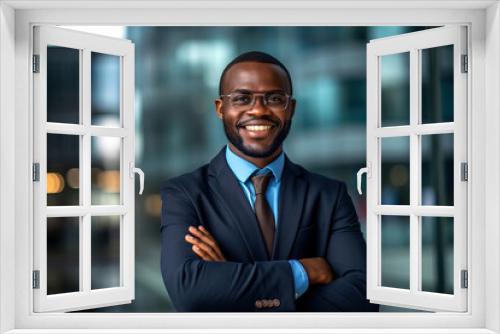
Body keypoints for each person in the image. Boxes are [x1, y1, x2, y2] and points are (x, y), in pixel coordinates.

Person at [160, 51, 378, 312]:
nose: (259, 110)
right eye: (242, 98)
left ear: (291, 109)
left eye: (274, 98)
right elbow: (189, 292)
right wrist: (304, 272)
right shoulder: (186, 193)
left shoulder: (329, 195)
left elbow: (363, 295)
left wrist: (230, 286)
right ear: (220, 108)